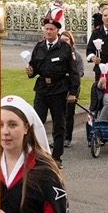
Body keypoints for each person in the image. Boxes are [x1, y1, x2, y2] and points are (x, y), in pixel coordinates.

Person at [26, 20, 79, 164]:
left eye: (51, 29)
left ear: (57, 31)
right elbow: (34, 67)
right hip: (42, 89)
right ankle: (37, 154)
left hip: (59, 89)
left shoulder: (65, 48)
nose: (48, 31)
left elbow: (73, 72)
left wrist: (73, 92)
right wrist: (30, 72)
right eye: (46, 29)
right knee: (37, 122)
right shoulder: (39, 47)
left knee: (59, 124)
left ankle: (56, 157)